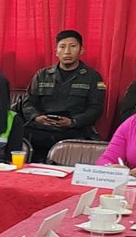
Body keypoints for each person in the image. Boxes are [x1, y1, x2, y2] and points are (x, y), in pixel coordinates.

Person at [20, 29, 107, 161]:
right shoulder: (42, 75)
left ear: (81, 50)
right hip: (42, 130)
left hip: (74, 131)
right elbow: (28, 103)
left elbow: (95, 109)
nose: (67, 51)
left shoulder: (92, 77)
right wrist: (37, 117)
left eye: (72, 46)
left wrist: (73, 122)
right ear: (56, 51)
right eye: (62, 47)